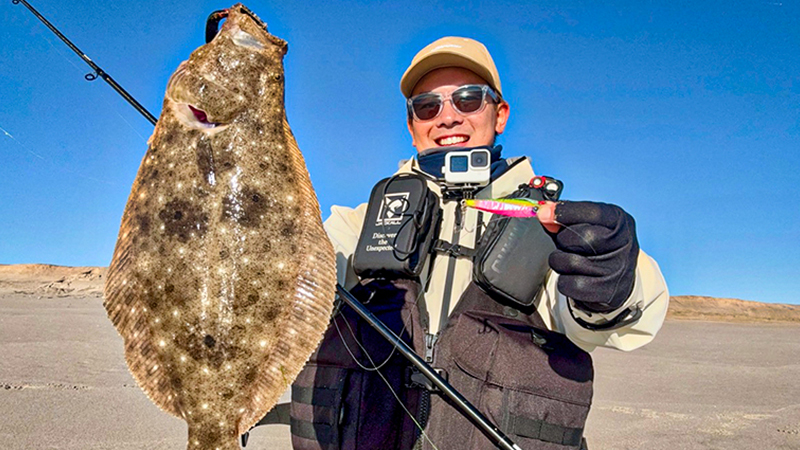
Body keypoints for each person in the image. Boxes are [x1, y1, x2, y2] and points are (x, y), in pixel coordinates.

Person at [289, 37, 669, 450]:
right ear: (412, 125)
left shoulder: (552, 222)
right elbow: (290, 277)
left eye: (469, 100)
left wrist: (613, 282)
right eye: (427, 106)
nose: (448, 117)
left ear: (500, 113)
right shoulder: (355, 223)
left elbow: (620, 321)